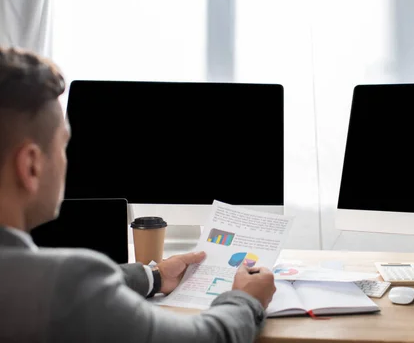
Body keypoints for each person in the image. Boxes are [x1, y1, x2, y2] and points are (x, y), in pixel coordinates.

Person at [0, 47, 276, 342]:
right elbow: (206, 338)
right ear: (30, 166)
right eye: (63, 145)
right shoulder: (63, 283)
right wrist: (247, 300)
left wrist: (154, 276)